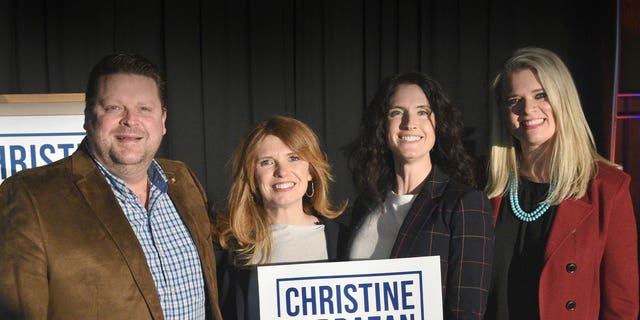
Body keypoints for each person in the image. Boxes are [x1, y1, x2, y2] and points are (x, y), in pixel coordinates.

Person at [0, 53, 223, 319]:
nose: (131, 120)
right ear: (87, 117)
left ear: (163, 121)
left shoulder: (183, 179)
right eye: (114, 107)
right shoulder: (30, 195)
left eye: (144, 108)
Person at [484, 47, 639, 319]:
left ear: (563, 100)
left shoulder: (607, 188)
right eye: (514, 100)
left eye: (541, 95)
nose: (528, 109)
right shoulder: (482, 185)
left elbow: (621, 305)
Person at [343, 72, 495, 319]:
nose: (409, 123)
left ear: (439, 124)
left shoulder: (464, 204)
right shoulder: (366, 204)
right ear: (382, 125)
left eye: (422, 112)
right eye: (396, 112)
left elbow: (467, 312)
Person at [214, 115, 347, 320]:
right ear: (252, 177)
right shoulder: (229, 250)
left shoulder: (343, 242)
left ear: (311, 170)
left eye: (293, 158)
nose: (282, 171)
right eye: (266, 162)